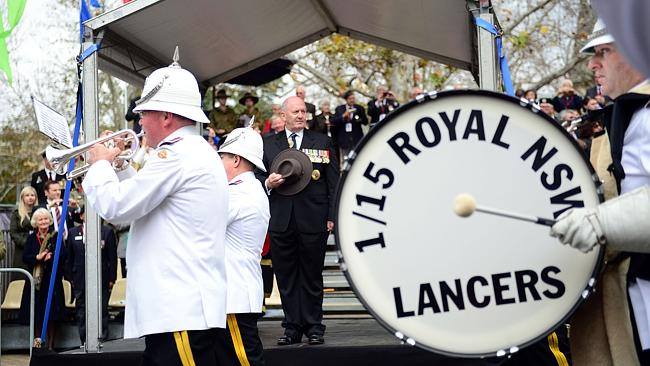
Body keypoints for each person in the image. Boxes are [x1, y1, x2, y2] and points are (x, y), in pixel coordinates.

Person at [82, 52, 229, 365]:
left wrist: (99, 165)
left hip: (180, 310)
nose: (139, 122)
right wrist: (119, 165)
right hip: (181, 310)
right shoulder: (189, 151)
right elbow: (145, 200)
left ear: (166, 117)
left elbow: (117, 207)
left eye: (144, 113)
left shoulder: (175, 156)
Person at [550, 18, 650, 365]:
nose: (593, 64)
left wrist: (599, 221)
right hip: (632, 302)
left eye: (604, 52)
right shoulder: (626, 116)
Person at [259, 96, 339, 345]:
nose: (301, 115)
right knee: (286, 275)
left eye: (303, 111)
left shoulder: (323, 142)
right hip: (281, 219)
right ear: (283, 116)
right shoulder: (267, 144)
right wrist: (267, 183)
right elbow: (257, 178)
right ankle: (292, 326)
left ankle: (315, 326)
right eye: (295, 111)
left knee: (312, 274)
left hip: (313, 219)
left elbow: (333, 182)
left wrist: (331, 216)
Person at [217, 127, 270, 365]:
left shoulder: (240, 193)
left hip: (235, 293)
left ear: (236, 159)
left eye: (223, 157)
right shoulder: (246, 188)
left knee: (245, 360)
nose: (219, 162)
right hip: (234, 293)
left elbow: (200, 221)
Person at [65, 209, 117, 343]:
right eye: (87, 213)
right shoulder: (73, 232)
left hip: (102, 278)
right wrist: (70, 277)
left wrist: (112, 278)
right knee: (81, 310)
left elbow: (112, 257)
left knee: (102, 309)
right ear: (81, 216)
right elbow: (69, 258)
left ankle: (102, 340)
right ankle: (84, 340)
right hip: (80, 279)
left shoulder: (106, 232)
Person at [22, 208, 66, 350]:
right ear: (36, 222)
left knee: (52, 313)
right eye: (40, 219)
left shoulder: (56, 236)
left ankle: (51, 346)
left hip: (52, 281)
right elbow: (25, 257)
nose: (44, 222)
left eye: (46, 219)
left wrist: (51, 258)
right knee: (37, 314)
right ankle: (38, 345)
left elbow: (64, 255)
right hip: (36, 283)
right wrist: (38, 258)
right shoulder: (31, 238)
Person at [332, 90, 368, 161]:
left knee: (359, 158)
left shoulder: (359, 108)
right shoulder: (339, 109)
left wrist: (358, 119)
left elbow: (365, 122)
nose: (352, 100)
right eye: (350, 99)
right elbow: (334, 121)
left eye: (353, 98)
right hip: (344, 139)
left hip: (357, 138)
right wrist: (343, 116)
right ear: (346, 99)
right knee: (346, 160)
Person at [10, 186, 38, 272]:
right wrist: (26, 243)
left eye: (32, 195)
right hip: (21, 249)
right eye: (27, 195)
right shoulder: (16, 214)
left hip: (37, 249)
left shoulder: (39, 211)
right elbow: (13, 233)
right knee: (21, 277)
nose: (30, 197)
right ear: (22, 198)